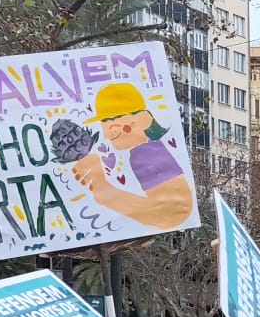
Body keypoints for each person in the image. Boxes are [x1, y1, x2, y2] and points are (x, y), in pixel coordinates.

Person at [72, 82, 199, 230]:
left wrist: (104, 190)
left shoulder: (146, 155)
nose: (109, 129)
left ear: (144, 118)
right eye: (104, 121)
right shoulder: (140, 154)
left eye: (116, 118)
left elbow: (171, 213)